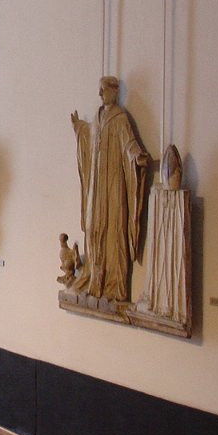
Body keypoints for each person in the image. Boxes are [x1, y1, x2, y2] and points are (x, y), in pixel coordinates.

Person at [70, 76, 149, 302]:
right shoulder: (97, 118)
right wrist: (79, 127)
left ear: (114, 91)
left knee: (113, 229)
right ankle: (95, 279)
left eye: (103, 90)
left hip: (113, 185)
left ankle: (113, 284)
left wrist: (138, 157)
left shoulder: (120, 119)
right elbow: (89, 135)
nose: (100, 94)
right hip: (96, 187)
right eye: (100, 90)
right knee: (93, 227)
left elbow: (129, 144)